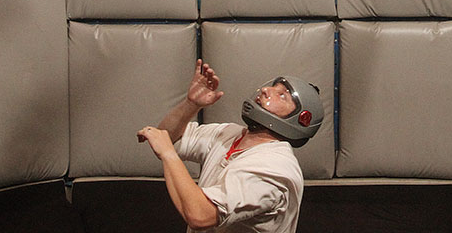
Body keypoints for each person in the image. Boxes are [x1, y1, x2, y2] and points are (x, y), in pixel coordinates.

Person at [137, 59, 323, 233]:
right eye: (273, 87)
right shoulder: (230, 133)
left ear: (301, 119)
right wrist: (190, 105)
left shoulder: (274, 167)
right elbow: (168, 137)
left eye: (282, 95)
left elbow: (200, 215)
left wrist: (169, 155)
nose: (266, 90)